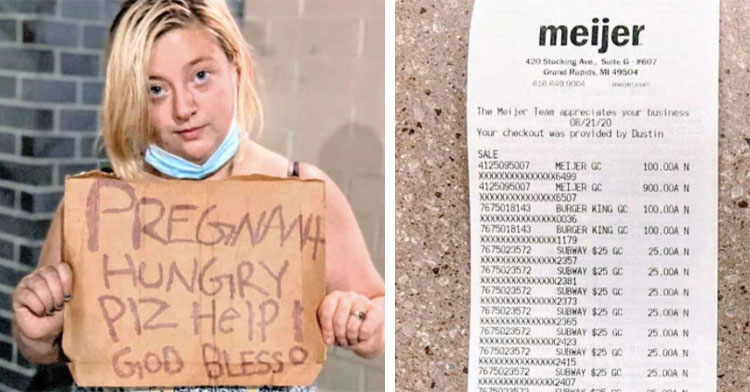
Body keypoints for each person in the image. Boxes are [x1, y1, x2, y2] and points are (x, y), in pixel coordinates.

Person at [10, 0, 385, 391]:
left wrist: (366, 324)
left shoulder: (304, 192)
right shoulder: (93, 209)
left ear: (235, 69)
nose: (183, 108)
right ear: (131, 98)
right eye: (155, 89)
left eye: (201, 75)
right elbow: (46, 346)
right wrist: (36, 334)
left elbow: (382, 313)